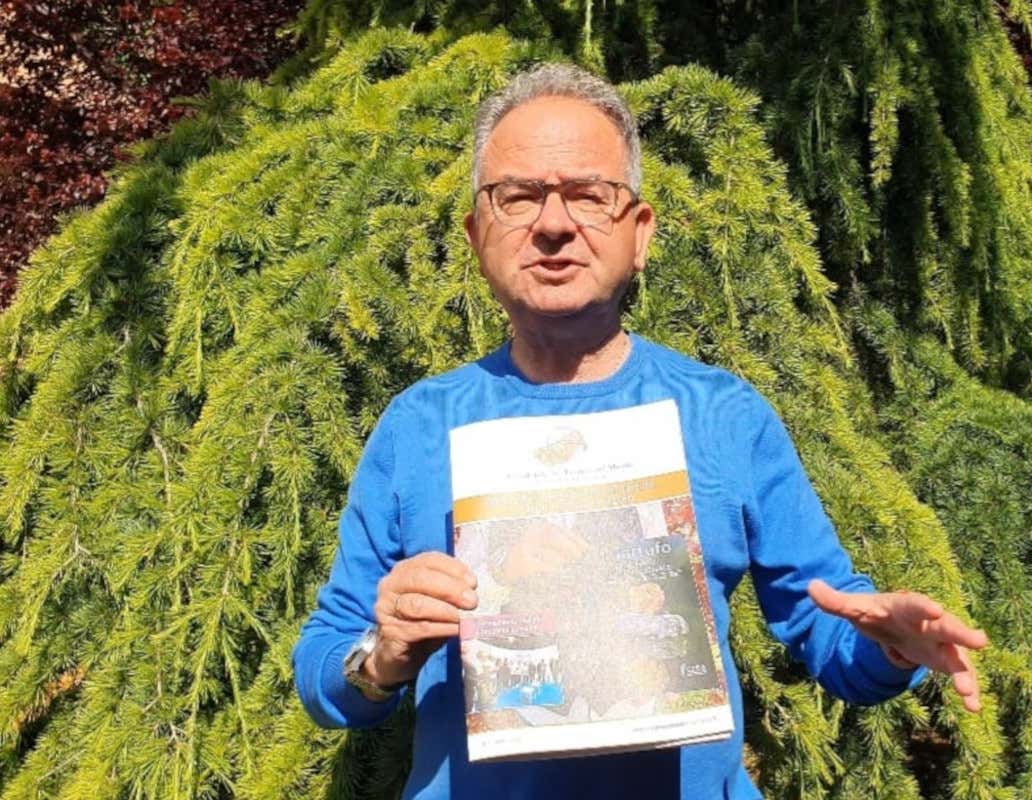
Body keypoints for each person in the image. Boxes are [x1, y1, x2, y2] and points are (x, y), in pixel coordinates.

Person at [292, 62, 989, 800]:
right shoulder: (418, 426)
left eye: (589, 195)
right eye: (518, 197)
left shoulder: (723, 414)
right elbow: (323, 669)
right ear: (475, 235)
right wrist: (380, 658)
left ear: (641, 232)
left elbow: (829, 631)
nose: (553, 225)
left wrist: (889, 647)